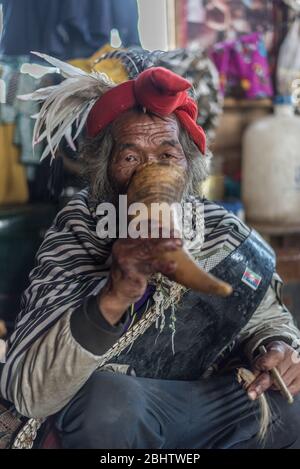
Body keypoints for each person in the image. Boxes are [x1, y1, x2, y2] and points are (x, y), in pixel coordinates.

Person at [1, 55, 300, 449]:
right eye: (130, 157)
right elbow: (30, 393)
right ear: (105, 172)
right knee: (108, 407)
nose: (150, 171)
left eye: (166, 156)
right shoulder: (78, 232)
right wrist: (114, 294)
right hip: (133, 406)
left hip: (207, 402)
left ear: (188, 167)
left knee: (289, 404)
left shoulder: (222, 232)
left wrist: (277, 348)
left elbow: (267, 320)